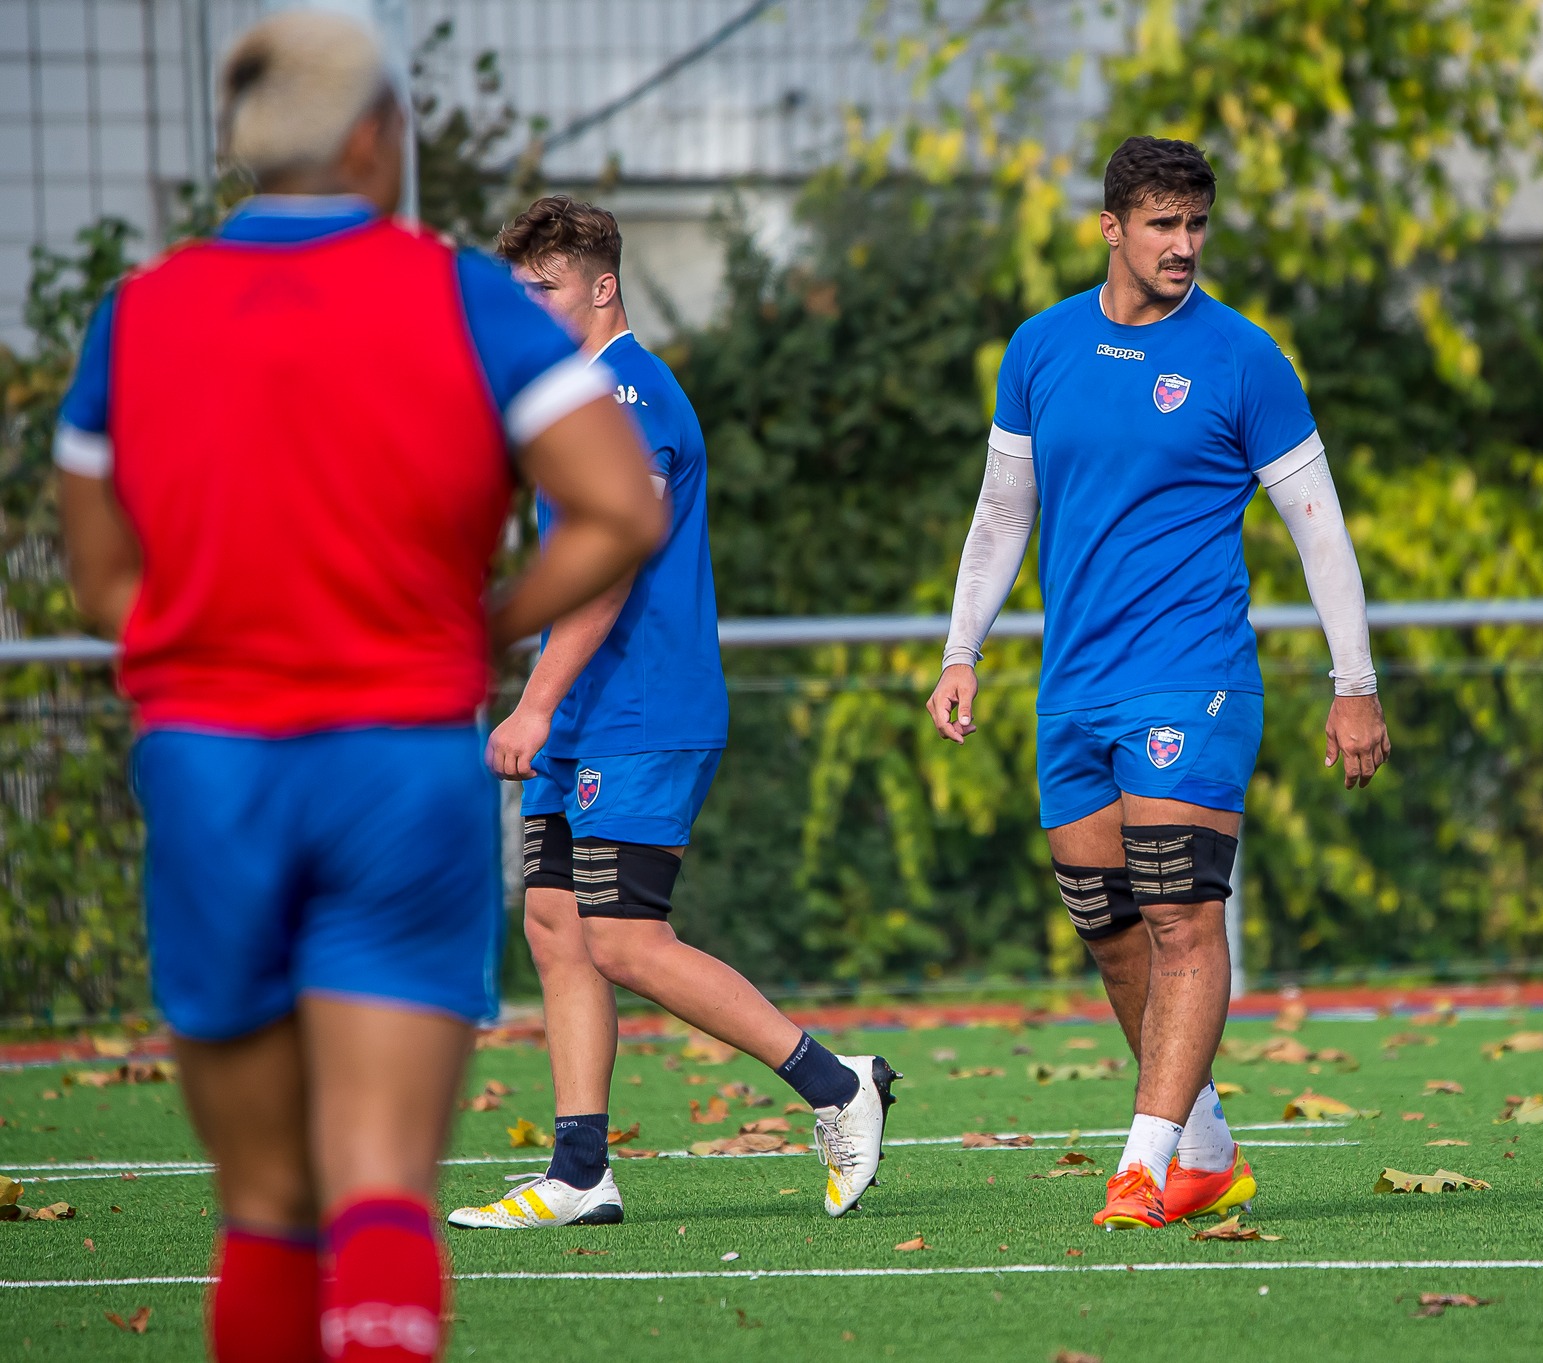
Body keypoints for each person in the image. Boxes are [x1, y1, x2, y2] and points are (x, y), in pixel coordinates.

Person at [52, 15, 664, 1362]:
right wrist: (488, 622)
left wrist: (210, 638)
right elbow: (619, 510)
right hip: (397, 756)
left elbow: (98, 568)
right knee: (382, 1188)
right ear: (380, 135)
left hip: (215, 760)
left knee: (267, 1206)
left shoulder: (140, 314)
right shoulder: (464, 298)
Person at [925, 136, 1390, 1230]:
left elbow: (1317, 531)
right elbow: (1001, 514)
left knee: (1182, 916)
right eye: (1161, 226)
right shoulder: (1039, 348)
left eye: (1196, 226)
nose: (1182, 246)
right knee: (1107, 924)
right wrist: (961, 649)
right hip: (1071, 686)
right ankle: (1211, 1151)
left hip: (1193, 678)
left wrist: (1353, 681)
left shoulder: (1243, 359)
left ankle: (1141, 1166)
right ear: (1110, 228)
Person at [445, 196, 898, 1232]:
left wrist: (533, 701)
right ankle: (579, 1174)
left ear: (602, 287)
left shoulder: (626, 395)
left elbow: (606, 574)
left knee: (624, 938)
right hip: (591, 714)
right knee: (555, 924)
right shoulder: (572, 399)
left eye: (543, 289)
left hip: (641, 709)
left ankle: (835, 1087)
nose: (526, 309)